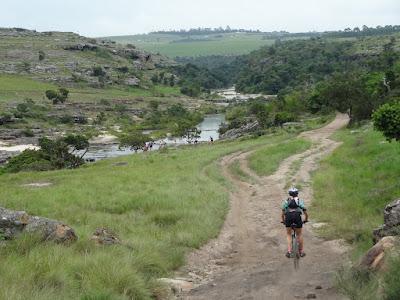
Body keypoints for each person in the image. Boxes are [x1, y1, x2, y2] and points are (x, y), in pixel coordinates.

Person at [281, 187, 308, 258]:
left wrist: (283, 221)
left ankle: (289, 251)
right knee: (299, 234)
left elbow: (283, 213)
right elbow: (305, 212)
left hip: (288, 218)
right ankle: (301, 251)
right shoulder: (299, 201)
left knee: (289, 234)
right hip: (297, 217)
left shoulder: (286, 202)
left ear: (289, 194)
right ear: (297, 194)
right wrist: (306, 219)